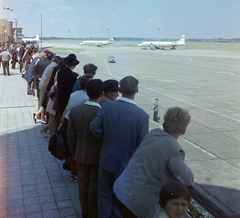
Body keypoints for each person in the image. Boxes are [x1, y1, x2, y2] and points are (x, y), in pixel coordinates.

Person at [113, 107, 193, 218]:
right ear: (183, 131)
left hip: (121, 190)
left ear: (164, 125)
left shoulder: (153, 134)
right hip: (135, 204)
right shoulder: (175, 150)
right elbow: (187, 178)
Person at [90, 75, 149, 218]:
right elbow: (141, 144)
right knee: (120, 201)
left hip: (106, 161)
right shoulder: (142, 116)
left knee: (104, 198)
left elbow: (94, 127)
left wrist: (107, 139)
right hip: (125, 165)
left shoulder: (108, 106)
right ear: (137, 90)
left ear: (120, 90)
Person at [68, 79, 104, 218]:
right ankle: (92, 213)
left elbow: (70, 135)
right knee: (94, 186)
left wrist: (73, 152)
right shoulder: (103, 113)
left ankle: (84, 211)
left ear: (87, 92)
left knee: (82, 184)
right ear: (101, 94)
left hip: (80, 154)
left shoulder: (75, 110)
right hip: (97, 157)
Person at [55, 53, 79, 118]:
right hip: (67, 98)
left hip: (60, 96)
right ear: (74, 65)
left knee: (61, 115)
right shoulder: (73, 75)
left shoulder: (60, 72)